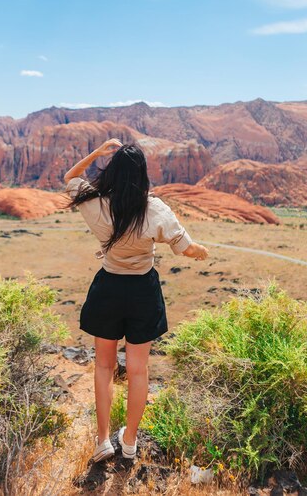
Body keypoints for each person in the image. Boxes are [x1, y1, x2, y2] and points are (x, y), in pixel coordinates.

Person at [63, 138, 209, 463]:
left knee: (103, 366)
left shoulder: (96, 203)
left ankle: (103, 440)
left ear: (112, 173)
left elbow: (70, 177)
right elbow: (185, 246)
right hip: (143, 290)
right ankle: (129, 440)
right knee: (139, 370)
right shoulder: (154, 208)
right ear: (142, 175)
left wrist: (97, 153)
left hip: (108, 289)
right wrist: (201, 251)